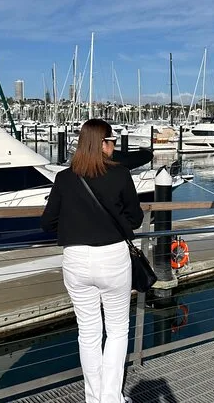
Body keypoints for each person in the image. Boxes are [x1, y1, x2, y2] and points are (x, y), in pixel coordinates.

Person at [41, 118, 144, 403]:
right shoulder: (120, 174)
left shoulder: (65, 178)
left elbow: (47, 222)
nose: (113, 147)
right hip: (112, 257)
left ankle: (94, 397)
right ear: (102, 143)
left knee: (88, 332)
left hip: (75, 258)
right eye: (111, 141)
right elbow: (136, 218)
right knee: (117, 329)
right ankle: (110, 397)